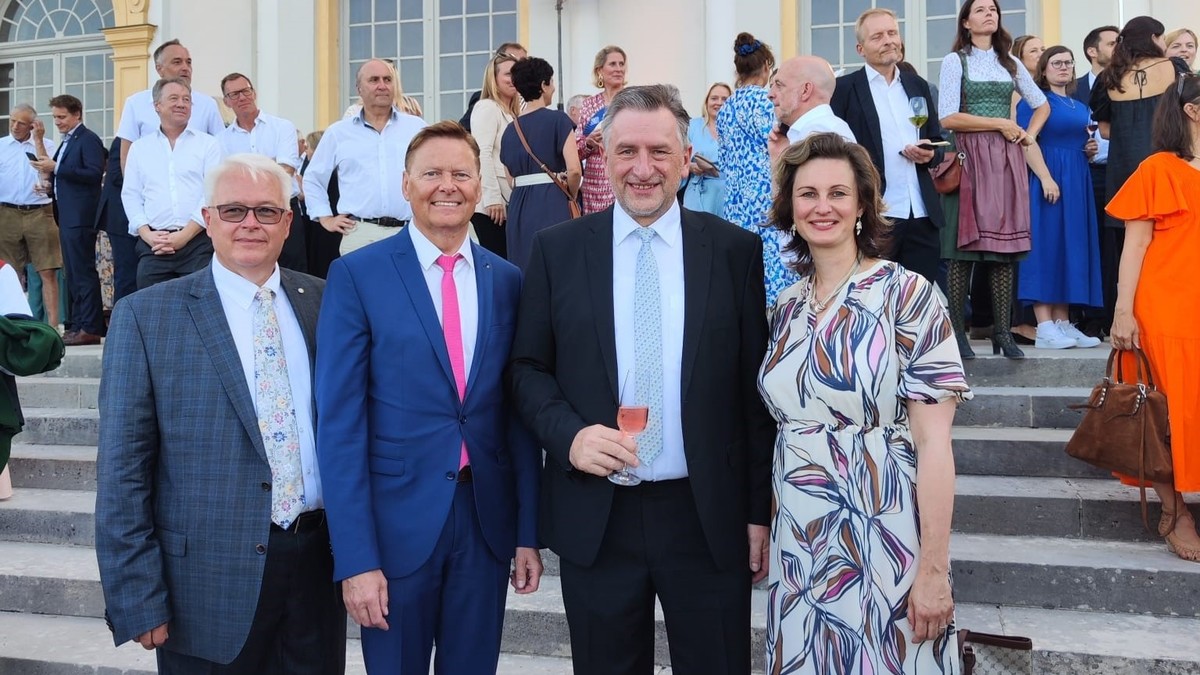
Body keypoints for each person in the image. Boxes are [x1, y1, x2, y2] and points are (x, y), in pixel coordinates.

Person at [508, 84, 774, 674]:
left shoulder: (735, 251)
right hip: (598, 516)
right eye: (627, 151)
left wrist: (759, 511)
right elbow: (526, 371)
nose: (643, 168)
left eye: (659, 151)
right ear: (603, 155)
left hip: (706, 515)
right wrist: (570, 436)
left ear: (686, 159)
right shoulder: (557, 250)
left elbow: (751, 394)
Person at [96, 153, 346, 672]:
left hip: (317, 572)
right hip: (204, 589)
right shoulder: (146, 316)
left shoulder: (326, 302)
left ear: (288, 222)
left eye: (266, 211)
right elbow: (123, 469)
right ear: (207, 219)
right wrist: (137, 594)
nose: (250, 223)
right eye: (233, 211)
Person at [316, 120, 541, 673]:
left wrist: (526, 533)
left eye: (462, 173)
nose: (448, 185)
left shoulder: (508, 280)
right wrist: (356, 557)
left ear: (479, 182)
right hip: (394, 527)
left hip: (484, 522)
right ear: (405, 184)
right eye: (432, 173)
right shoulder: (356, 275)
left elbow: (517, 415)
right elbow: (339, 426)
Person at [761, 131, 970, 673]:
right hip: (802, 538)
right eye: (807, 194)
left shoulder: (909, 294)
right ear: (790, 208)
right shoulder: (784, 307)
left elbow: (934, 445)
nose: (822, 206)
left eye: (838, 193)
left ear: (862, 207)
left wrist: (933, 567)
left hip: (884, 527)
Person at [1106, 74, 1200, 562]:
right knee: (1164, 413)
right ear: (1193, 111)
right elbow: (1135, 244)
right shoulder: (1159, 168)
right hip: (1166, 310)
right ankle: (1174, 511)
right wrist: (1123, 311)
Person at [938, 0, 1049, 360]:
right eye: (981, 9)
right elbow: (948, 118)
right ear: (966, 22)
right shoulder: (956, 60)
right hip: (969, 155)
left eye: (994, 9)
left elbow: (1041, 103)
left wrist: (1028, 135)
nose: (990, 13)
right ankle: (957, 333)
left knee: (1003, 249)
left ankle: (1003, 332)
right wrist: (1001, 123)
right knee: (961, 251)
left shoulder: (1010, 62)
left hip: (1004, 159)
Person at [831, 8, 947, 287]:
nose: (888, 41)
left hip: (921, 211)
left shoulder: (917, 85)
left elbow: (936, 139)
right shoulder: (845, 88)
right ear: (861, 48)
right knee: (871, 294)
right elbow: (834, 147)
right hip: (876, 211)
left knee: (917, 297)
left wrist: (930, 153)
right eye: (878, 36)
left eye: (892, 33)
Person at [1089, 16, 1189, 334]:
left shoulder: (1109, 77)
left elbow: (1104, 130)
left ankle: (1129, 316)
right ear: (1156, 37)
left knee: (1130, 250)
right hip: (1169, 164)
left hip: (1126, 170)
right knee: (1171, 248)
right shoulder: (1174, 68)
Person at [1016, 46, 1104, 349]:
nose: (1064, 67)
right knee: (1047, 246)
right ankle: (1043, 325)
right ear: (1044, 69)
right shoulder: (1035, 101)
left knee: (1071, 247)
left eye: (1068, 62)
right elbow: (1025, 141)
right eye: (1057, 63)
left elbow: (1083, 140)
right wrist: (1045, 177)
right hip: (1048, 177)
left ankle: (1063, 322)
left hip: (1077, 178)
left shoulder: (1078, 104)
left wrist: (1089, 150)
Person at [303, 58, 427, 255]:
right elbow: (313, 178)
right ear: (359, 88)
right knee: (362, 287)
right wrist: (325, 217)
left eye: (388, 79)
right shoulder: (339, 133)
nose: (382, 86)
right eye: (374, 80)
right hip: (360, 233)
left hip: (410, 231)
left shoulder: (416, 128)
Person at [717, 33, 796, 307]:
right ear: (766, 67)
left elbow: (723, 157)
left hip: (736, 201)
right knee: (773, 274)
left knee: (743, 270)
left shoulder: (726, 107)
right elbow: (777, 142)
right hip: (763, 198)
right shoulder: (763, 101)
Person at [122, 77, 222, 290]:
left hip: (198, 243)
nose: (182, 104)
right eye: (174, 98)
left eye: (187, 99)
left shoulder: (208, 145)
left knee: (200, 308)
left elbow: (213, 192)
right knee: (152, 312)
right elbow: (130, 195)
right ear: (157, 105)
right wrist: (147, 234)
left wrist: (185, 235)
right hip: (154, 245)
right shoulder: (140, 149)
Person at [30, 95, 106, 346]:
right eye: (55, 117)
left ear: (77, 115)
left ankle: (91, 327)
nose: (58, 122)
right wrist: (51, 189)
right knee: (72, 273)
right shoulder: (69, 141)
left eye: (62, 117)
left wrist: (57, 169)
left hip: (81, 217)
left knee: (82, 272)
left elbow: (94, 173)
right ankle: (77, 324)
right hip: (67, 214)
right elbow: (68, 177)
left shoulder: (88, 139)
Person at [217, 73, 305, 272]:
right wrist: (270, 164)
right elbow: (227, 179)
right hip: (242, 214)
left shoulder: (282, 127)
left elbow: (287, 170)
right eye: (235, 94)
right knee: (250, 268)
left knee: (293, 271)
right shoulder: (221, 140)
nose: (242, 97)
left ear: (254, 92)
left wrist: (245, 173)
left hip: (282, 208)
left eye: (246, 91)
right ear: (226, 101)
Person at [500, 57, 581, 271]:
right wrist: (569, 192)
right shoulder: (559, 120)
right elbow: (574, 170)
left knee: (524, 270)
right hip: (552, 201)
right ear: (544, 85)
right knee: (558, 269)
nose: (553, 88)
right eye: (551, 82)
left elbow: (510, 179)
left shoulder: (510, 129)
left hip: (519, 206)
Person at [1073, 25, 1119, 337]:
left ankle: (1112, 315)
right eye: (1113, 43)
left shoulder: (1126, 83)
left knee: (1114, 247)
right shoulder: (1071, 88)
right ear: (1093, 50)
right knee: (1084, 244)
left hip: (1117, 172)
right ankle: (1087, 316)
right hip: (1082, 174)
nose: (1119, 47)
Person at [116, 39, 224, 172]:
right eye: (177, 62)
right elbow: (127, 156)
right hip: (152, 189)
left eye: (188, 62)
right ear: (159, 69)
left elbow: (221, 150)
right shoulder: (135, 103)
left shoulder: (207, 104)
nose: (185, 68)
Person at [0, 104, 61, 330]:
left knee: (47, 270)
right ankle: (13, 327)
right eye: (13, 121)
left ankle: (53, 327)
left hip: (39, 213)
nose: (15, 126)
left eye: (22, 123)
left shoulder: (48, 146)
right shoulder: (1, 146)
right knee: (10, 274)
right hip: (6, 212)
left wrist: (38, 140)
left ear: (32, 125)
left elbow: (47, 172)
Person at [470, 50, 522, 258]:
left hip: (510, 202)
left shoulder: (513, 113)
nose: (513, 78)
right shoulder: (487, 107)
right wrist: (492, 198)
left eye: (517, 73)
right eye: (508, 74)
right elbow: (481, 152)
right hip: (493, 207)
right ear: (494, 78)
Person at [576, 45, 628, 214]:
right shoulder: (589, 105)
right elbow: (576, 151)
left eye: (622, 64)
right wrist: (589, 143)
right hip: (595, 185)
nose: (619, 69)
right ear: (600, 70)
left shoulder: (634, 100)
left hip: (627, 176)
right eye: (613, 64)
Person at [767, 55, 856, 152]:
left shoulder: (822, 133)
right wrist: (779, 156)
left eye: (779, 85)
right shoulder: (813, 130)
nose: (770, 94)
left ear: (805, 90)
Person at [95, 136, 138, 304]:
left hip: (137, 218)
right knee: (126, 276)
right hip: (120, 219)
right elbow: (116, 175)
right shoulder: (124, 140)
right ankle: (123, 324)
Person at [682, 82, 730, 217]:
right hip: (698, 191)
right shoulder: (692, 126)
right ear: (707, 101)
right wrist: (690, 167)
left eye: (724, 99)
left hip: (726, 195)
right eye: (714, 98)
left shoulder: (736, 130)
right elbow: (678, 157)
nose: (719, 103)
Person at [459, 42, 528, 132]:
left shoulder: (530, 101)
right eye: (511, 59)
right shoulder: (485, 102)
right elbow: (463, 132)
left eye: (523, 63)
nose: (518, 67)